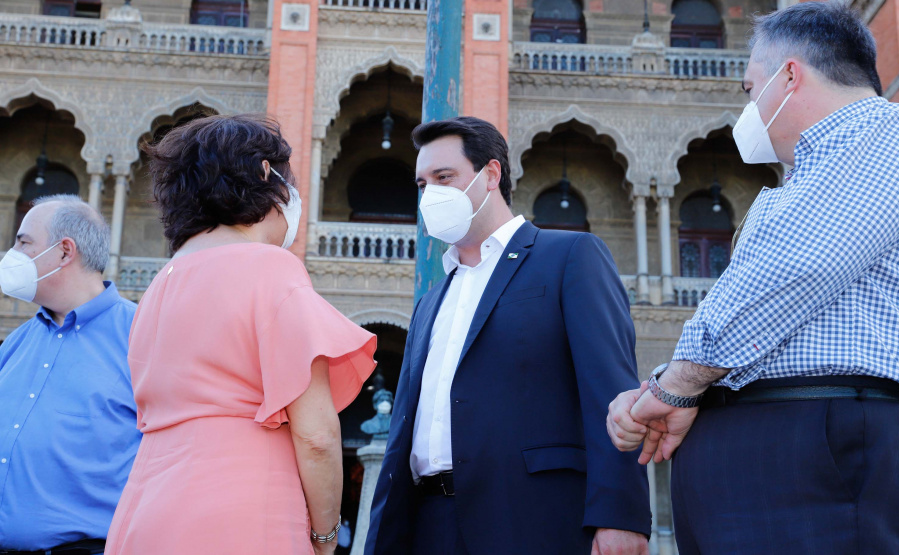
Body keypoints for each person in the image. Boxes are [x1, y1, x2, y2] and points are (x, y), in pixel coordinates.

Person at [606, 4, 899, 554]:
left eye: (751, 89)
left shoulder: (889, 132)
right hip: (785, 456)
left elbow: (800, 268)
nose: (748, 107)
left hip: (820, 453)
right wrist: (674, 387)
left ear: (790, 75)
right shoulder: (811, 177)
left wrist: (674, 384)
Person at [365, 117, 651, 555]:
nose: (431, 195)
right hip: (428, 524)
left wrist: (620, 516)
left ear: (491, 174)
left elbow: (610, 392)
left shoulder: (568, 257)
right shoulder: (431, 302)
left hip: (532, 519)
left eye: (445, 177)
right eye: (423, 184)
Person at [104, 115, 377, 555]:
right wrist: (326, 538)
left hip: (145, 507)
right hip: (243, 507)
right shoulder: (269, 267)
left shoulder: (160, 283)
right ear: (266, 174)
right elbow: (318, 437)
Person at [0, 195, 141, 555]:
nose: (11, 252)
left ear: (64, 252)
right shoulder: (15, 343)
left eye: (23, 241)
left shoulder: (141, 337)